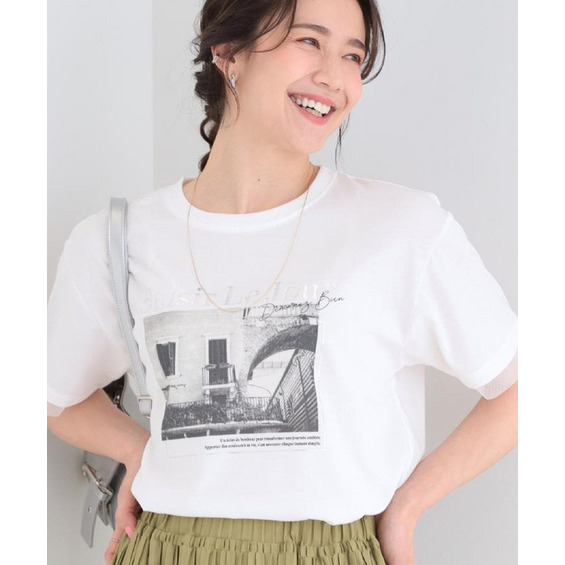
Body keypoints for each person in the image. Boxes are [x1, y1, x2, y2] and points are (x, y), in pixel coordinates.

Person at [47, 0, 518, 564]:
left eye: (353, 56)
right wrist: (139, 450)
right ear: (229, 52)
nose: (335, 77)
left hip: (333, 550)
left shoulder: (402, 229)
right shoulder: (122, 239)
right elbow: (51, 395)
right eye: (310, 41)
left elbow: (522, 386)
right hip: (166, 546)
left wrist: (408, 506)